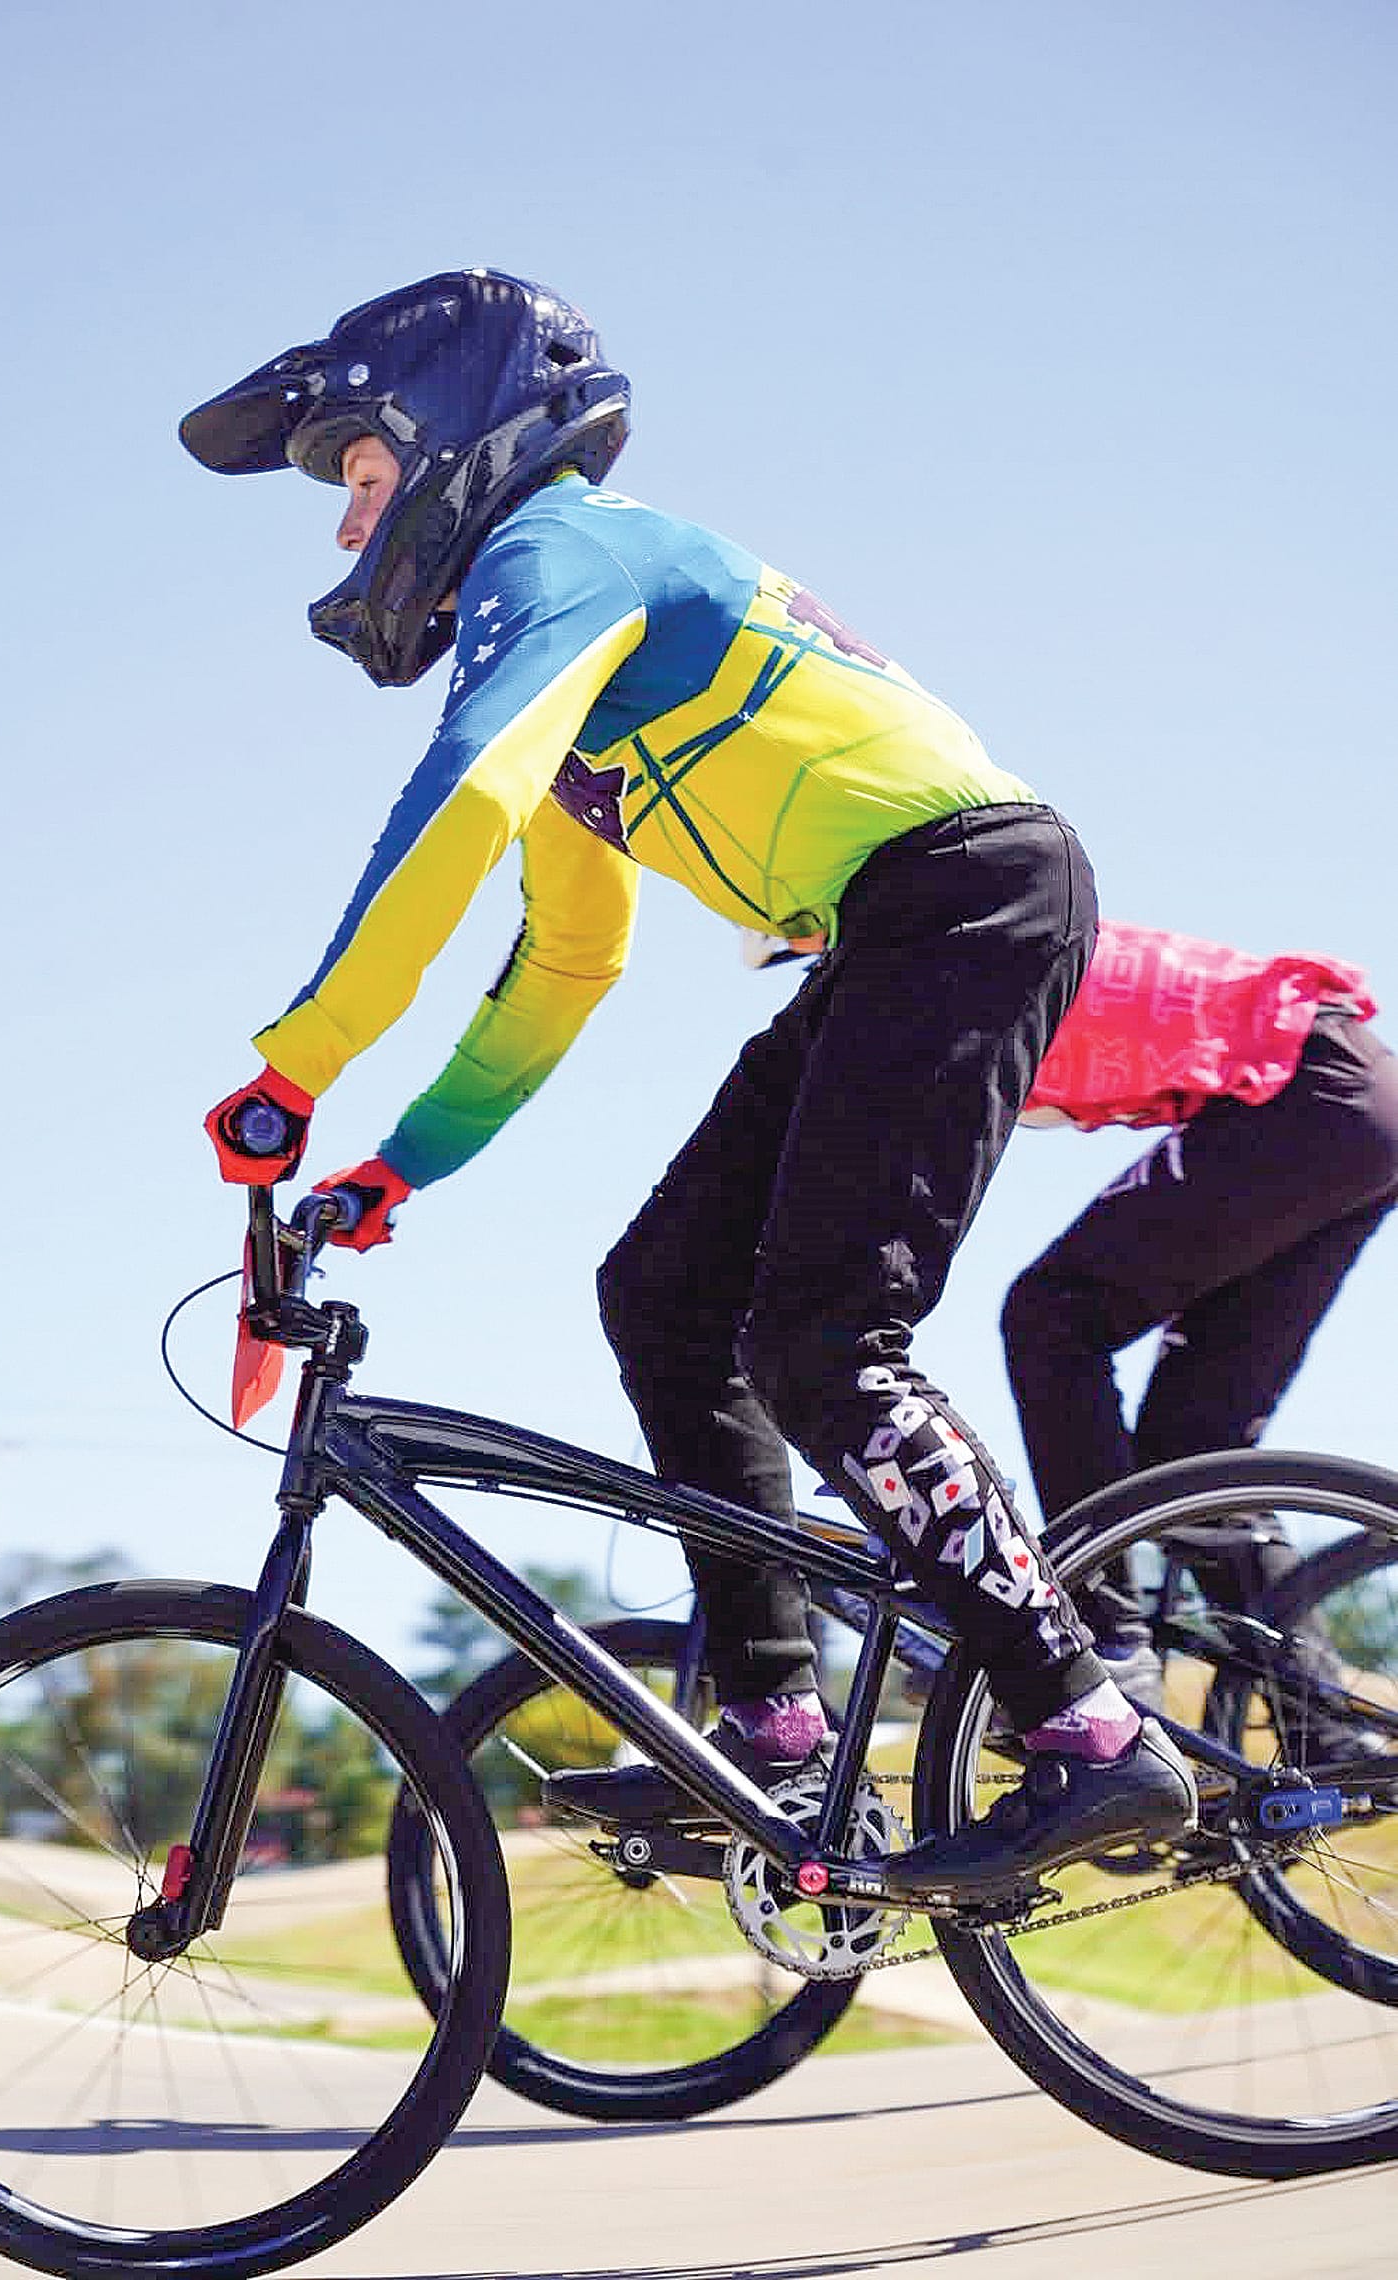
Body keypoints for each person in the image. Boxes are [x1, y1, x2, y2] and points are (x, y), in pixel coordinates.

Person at [183, 267, 1194, 1902]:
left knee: (820, 1343)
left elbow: (457, 806)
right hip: (887, 921)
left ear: (447, 436)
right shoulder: (563, 657)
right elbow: (565, 961)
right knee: (658, 1293)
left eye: (358, 476)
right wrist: (399, 1164)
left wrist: (296, 1065)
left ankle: (1087, 1730)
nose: (345, 527)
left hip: (966, 889)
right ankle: (777, 1742)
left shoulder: (560, 550)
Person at [1002, 919, 1398, 1683]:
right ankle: (1323, 1721)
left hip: (1302, 1087)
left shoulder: (945, 958)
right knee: (1194, 1452)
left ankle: (1105, 1632)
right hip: (1351, 1100)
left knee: (1050, 1314)